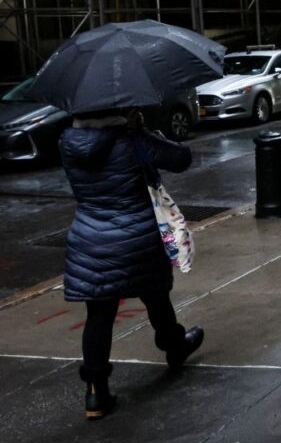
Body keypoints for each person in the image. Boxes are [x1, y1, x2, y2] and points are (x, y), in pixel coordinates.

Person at [59, 107, 203, 420]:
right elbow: (182, 158)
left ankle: (95, 393)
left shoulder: (68, 142)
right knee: (155, 295)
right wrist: (142, 131)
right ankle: (174, 346)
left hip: (90, 238)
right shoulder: (132, 140)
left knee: (99, 312)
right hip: (138, 236)